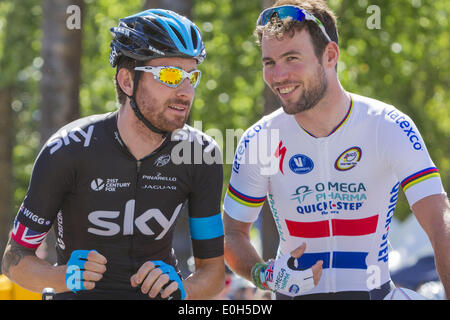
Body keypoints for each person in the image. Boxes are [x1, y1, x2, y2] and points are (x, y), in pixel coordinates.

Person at [223, 0, 450, 300]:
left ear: (330, 55)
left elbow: (439, 221)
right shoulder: (261, 139)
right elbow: (231, 235)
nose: (278, 76)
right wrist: (263, 274)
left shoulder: (387, 124)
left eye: (292, 58)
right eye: (269, 63)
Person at [1, 9, 225, 300]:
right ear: (127, 81)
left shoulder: (201, 154)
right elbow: (14, 258)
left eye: (191, 76)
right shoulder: (68, 149)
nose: (185, 91)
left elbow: (213, 273)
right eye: (170, 75)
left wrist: (184, 289)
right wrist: (63, 275)